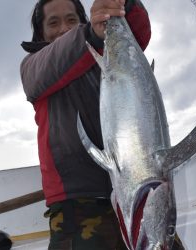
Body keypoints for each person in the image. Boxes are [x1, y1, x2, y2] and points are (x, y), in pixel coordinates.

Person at [20, 0, 184, 249]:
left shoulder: (105, 58)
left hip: (138, 187)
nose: (64, 28)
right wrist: (88, 34)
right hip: (78, 207)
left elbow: (137, 31)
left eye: (72, 20)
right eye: (53, 23)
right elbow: (56, 61)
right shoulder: (34, 68)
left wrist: (121, 5)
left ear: (83, 21)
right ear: (40, 32)